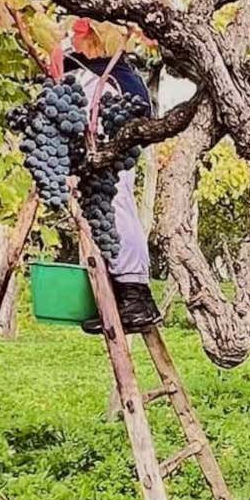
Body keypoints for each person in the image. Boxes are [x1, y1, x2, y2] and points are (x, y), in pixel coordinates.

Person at [64, 51, 161, 332]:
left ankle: (133, 295)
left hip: (104, 91)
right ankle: (125, 298)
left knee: (112, 194)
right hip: (113, 91)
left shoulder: (87, 52)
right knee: (108, 195)